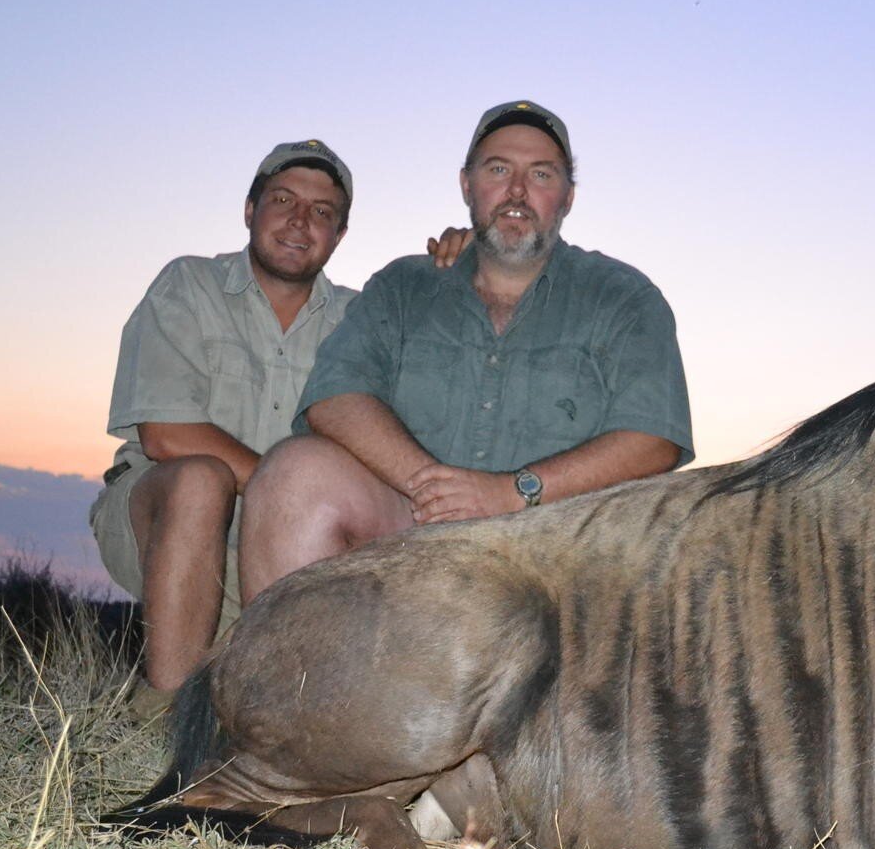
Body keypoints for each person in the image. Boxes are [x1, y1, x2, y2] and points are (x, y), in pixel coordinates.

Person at [240, 101, 692, 597]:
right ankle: (293, 676)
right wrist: (435, 492)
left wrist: (510, 493)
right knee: (291, 475)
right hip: (410, 531)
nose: (517, 191)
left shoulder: (623, 295)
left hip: (557, 560)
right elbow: (335, 396)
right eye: (498, 169)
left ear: (567, 197)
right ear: (467, 185)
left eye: (541, 174)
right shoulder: (403, 284)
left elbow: (654, 437)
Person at [91, 140, 356, 717]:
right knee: (198, 480)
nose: (299, 221)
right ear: (249, 210)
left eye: (322, 212)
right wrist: (290, 494)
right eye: (283, 199)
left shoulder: (361, 320)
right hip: (161, 519)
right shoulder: (189, 284)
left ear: (337, 236)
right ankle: (164, 713)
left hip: (287, 553)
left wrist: (453, 269)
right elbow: (165, 435)